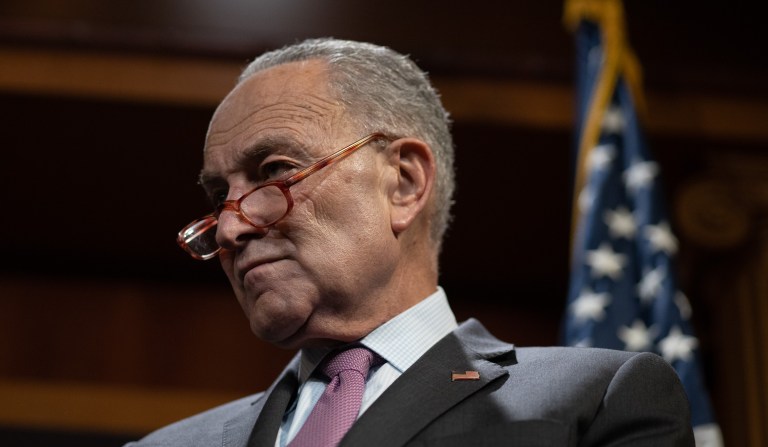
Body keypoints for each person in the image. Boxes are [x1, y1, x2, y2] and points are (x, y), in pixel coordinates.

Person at [127, 38, 694, 446]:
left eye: (275, 171)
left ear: (403, 183)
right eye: (218, 197)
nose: (231, 229)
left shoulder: (594, 399)